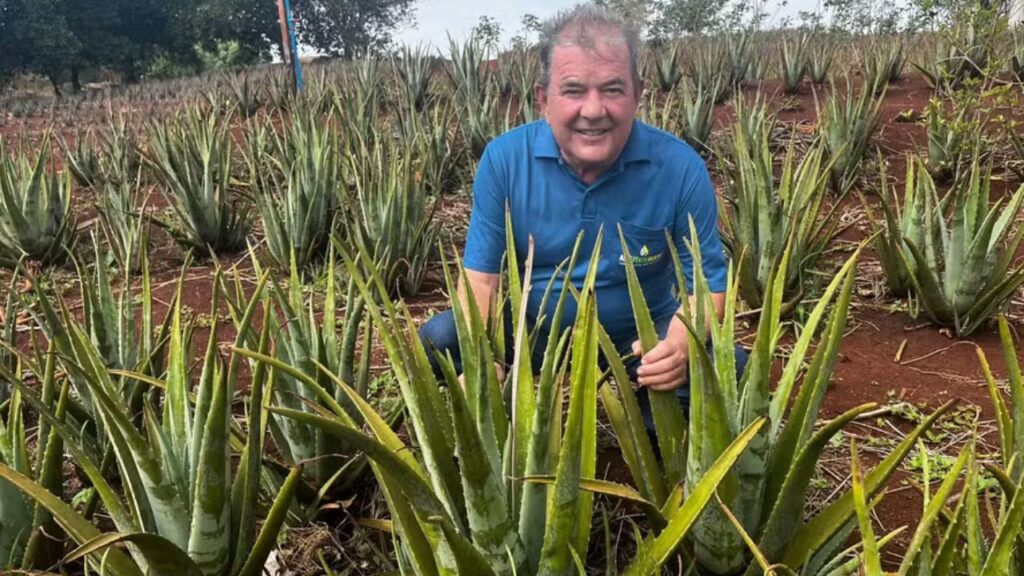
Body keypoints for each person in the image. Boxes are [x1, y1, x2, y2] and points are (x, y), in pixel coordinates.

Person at [419, 4, 747, 420]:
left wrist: (681, 341)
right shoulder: (504, 160)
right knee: (442, 338)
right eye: (573, 90)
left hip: (638, 338)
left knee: (727, 368)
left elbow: (708, 287)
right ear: (543, 98)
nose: (594, 110)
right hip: (530, 332)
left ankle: (652, 416)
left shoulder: (680, 168)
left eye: (612, 89)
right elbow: (482, 279)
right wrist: (483, 355)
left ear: (637, 94)